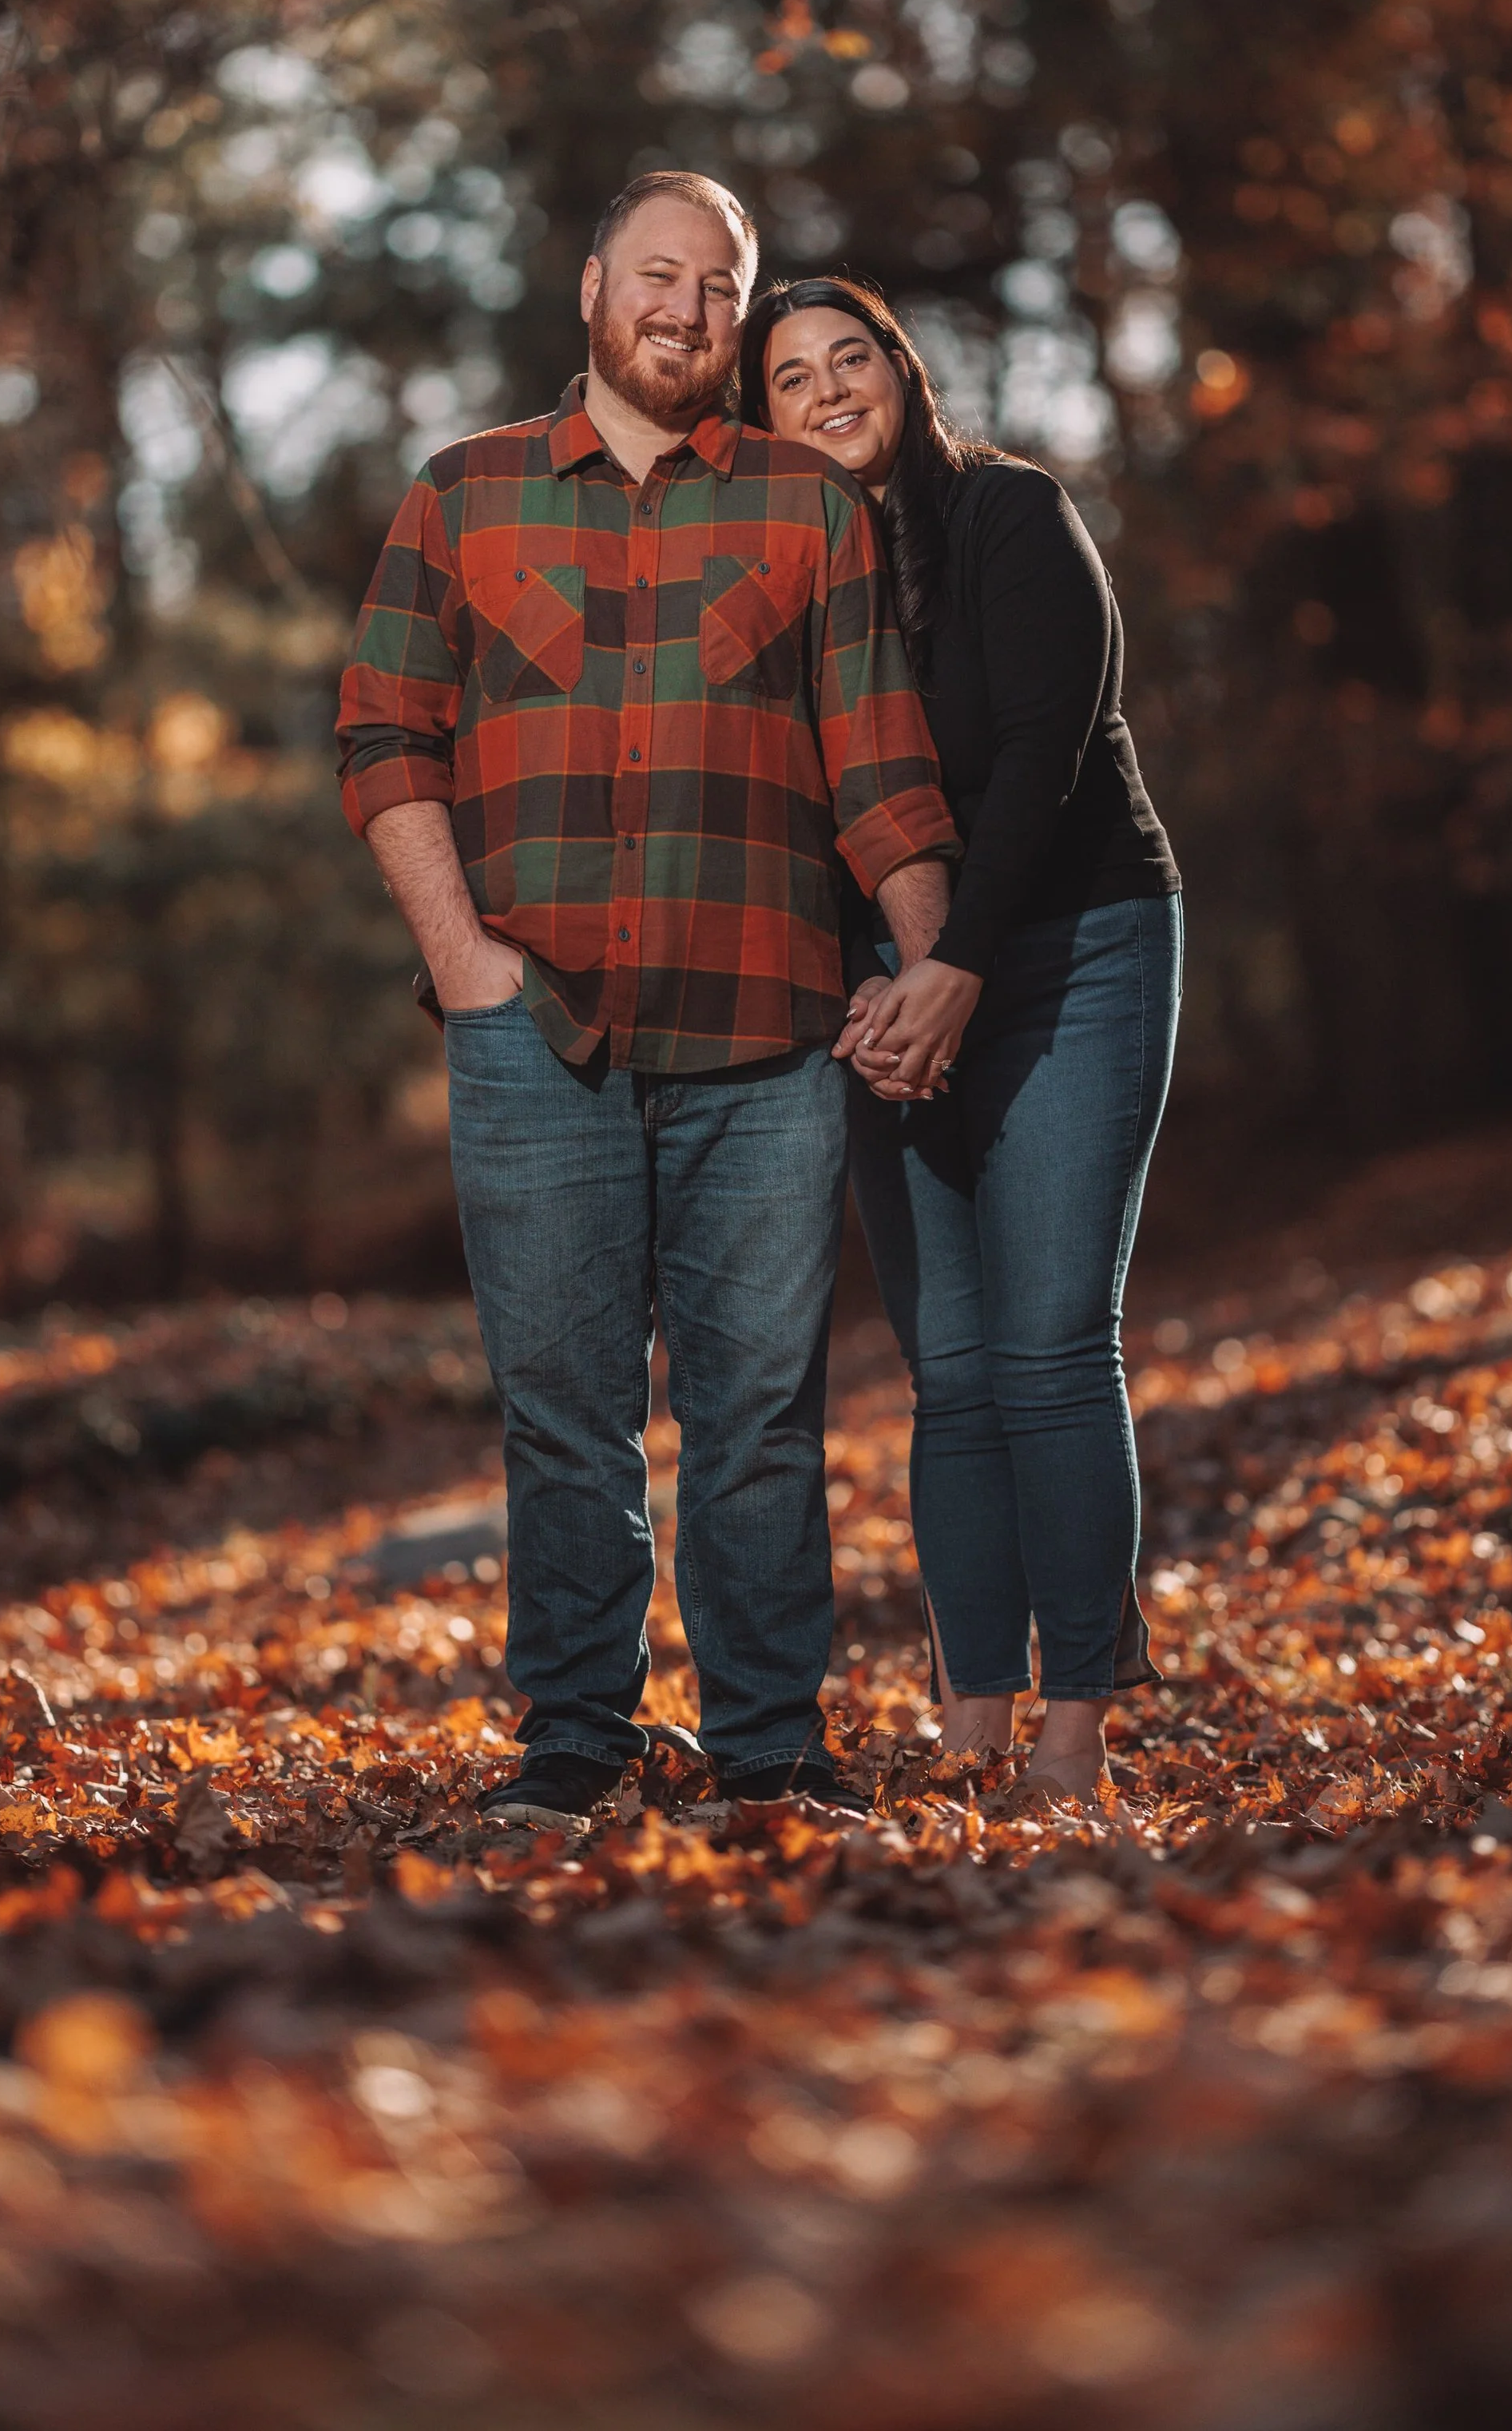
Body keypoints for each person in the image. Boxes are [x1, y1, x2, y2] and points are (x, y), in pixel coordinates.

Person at [338, 178, 959, 1828]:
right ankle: (573, 1742)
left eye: (720, 287)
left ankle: (768, 1745)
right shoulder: (461, 494)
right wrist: (465, 962)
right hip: (533, 1031)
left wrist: (928, 956)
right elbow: (383, 732)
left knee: (757, 1413)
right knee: (565, 1413)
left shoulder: (800, 507)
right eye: (661, 276)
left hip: (767, 1040)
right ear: (595, 286)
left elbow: (880, 767)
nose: (687, 310)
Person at [739, 276, 1181, 1809]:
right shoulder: (788, 576)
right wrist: (863, 986)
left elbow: (1049, 760)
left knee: (1054, 1345)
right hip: (890, 985)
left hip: (1074, 947)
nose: (829, 390)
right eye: (791, 379)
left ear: (901, 372)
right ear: (764, 420)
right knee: (956, 1367)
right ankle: (973, 1715)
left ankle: (1079, 1718)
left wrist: (960, 964)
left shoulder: (1010, 513)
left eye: (849, 357)